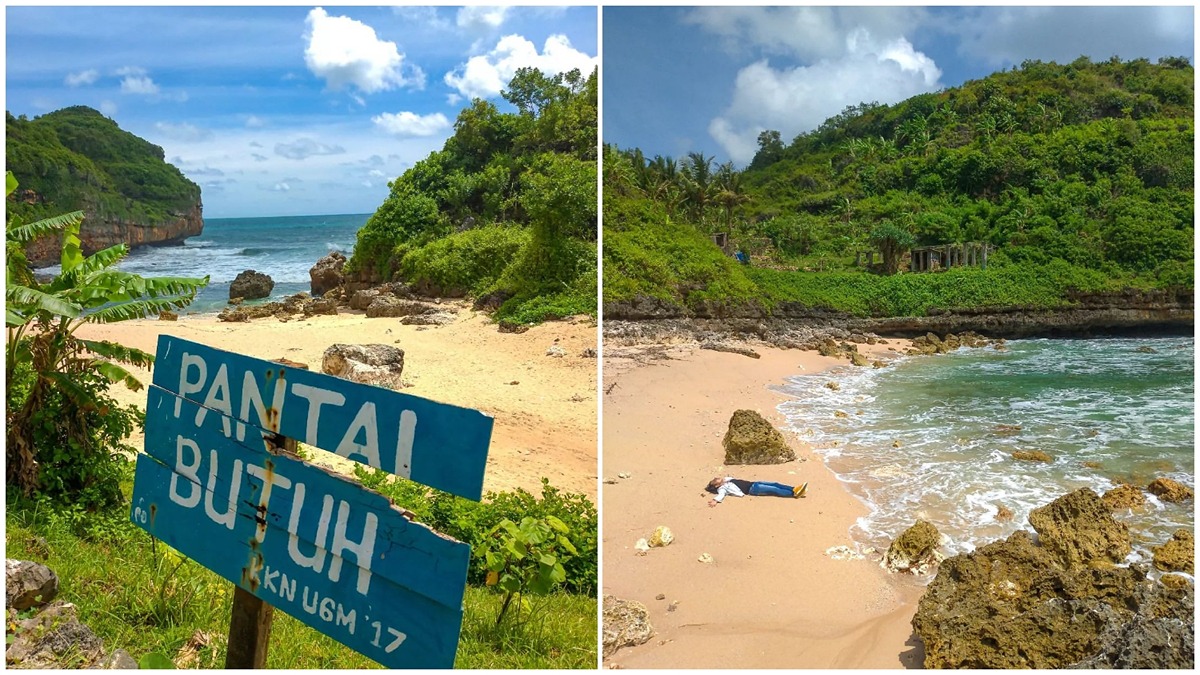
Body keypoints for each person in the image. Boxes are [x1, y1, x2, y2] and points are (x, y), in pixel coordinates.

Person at [705, 476, 807, 507]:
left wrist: (721, 480)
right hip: (753, 489)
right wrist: (715, 500)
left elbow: (725, 477)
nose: (716, 478)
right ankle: (794, 494)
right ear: (717, 485)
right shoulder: (722, 488)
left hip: (754, 483)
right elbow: (721, 495)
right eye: (715, 480)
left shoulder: (727, 480)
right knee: (774, 490)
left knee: (775, 483)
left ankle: (794, 488)